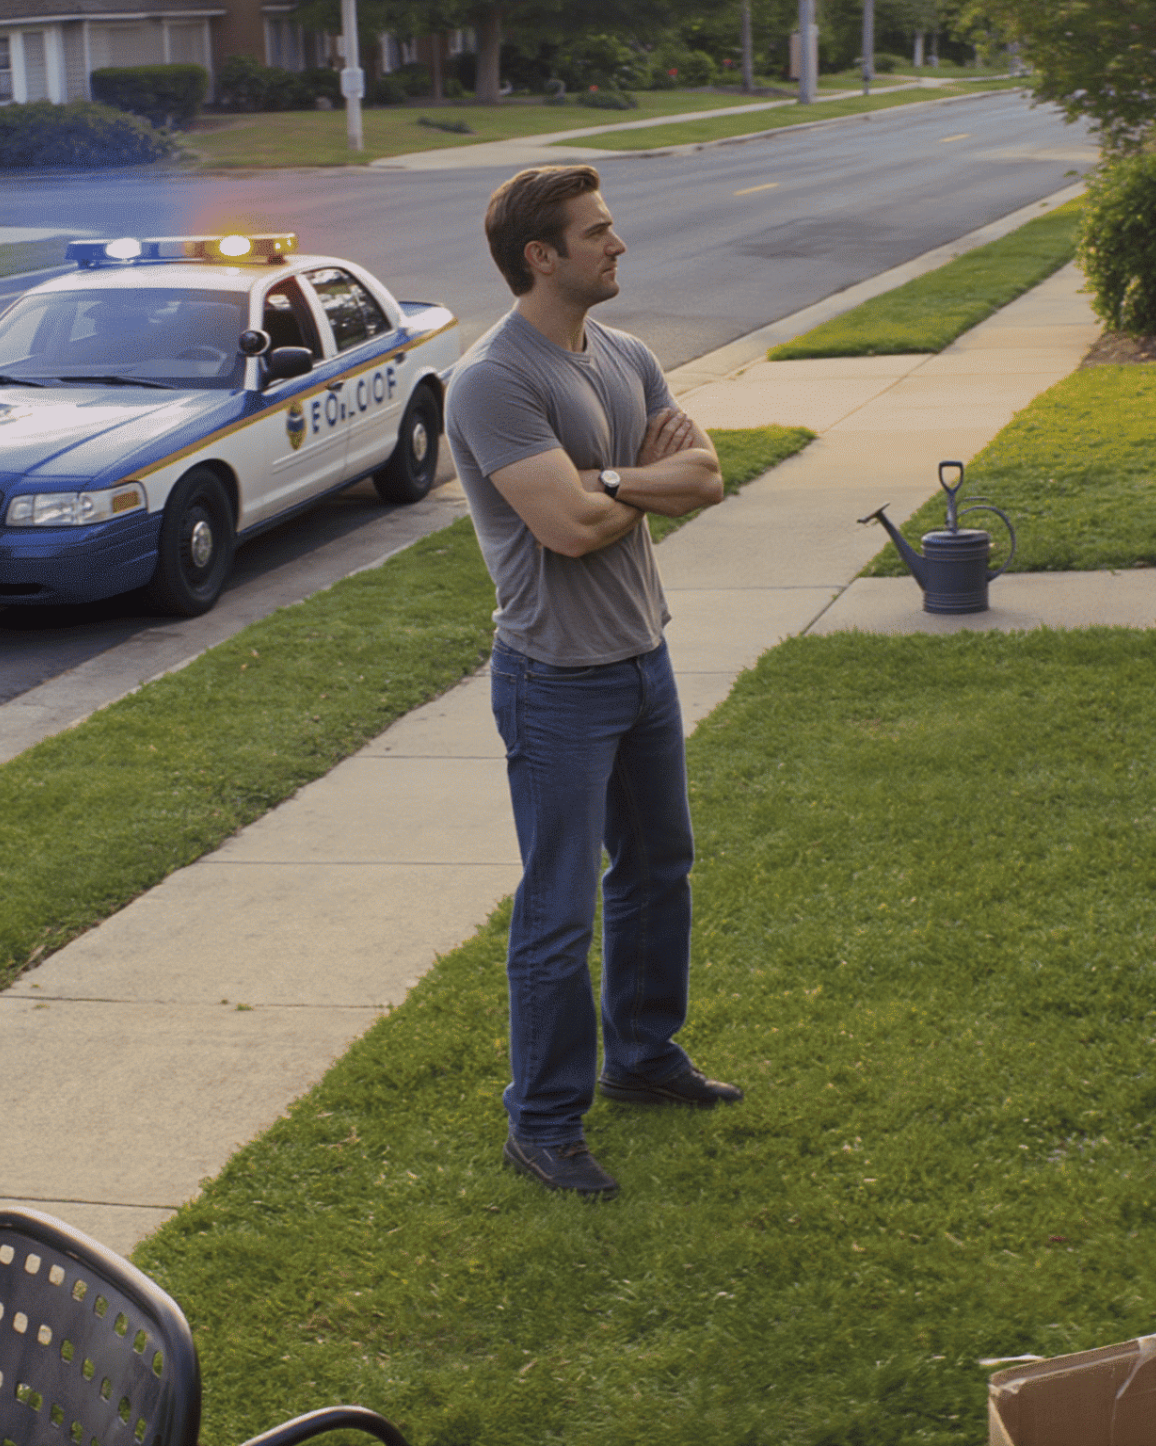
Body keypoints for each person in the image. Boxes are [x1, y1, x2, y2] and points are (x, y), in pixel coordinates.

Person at [447, 164, 737, 1201]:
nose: (618, 247)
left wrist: (606, 478)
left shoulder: (624, 354)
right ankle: (543, 1121)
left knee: (659, 869)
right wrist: (623, 489)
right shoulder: (494, 380)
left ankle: (644, 1058)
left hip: (639, 656)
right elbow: (563, 531)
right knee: (561, 908)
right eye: (597, 233)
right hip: (555, 680)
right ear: (542, 255)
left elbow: (705, 477)